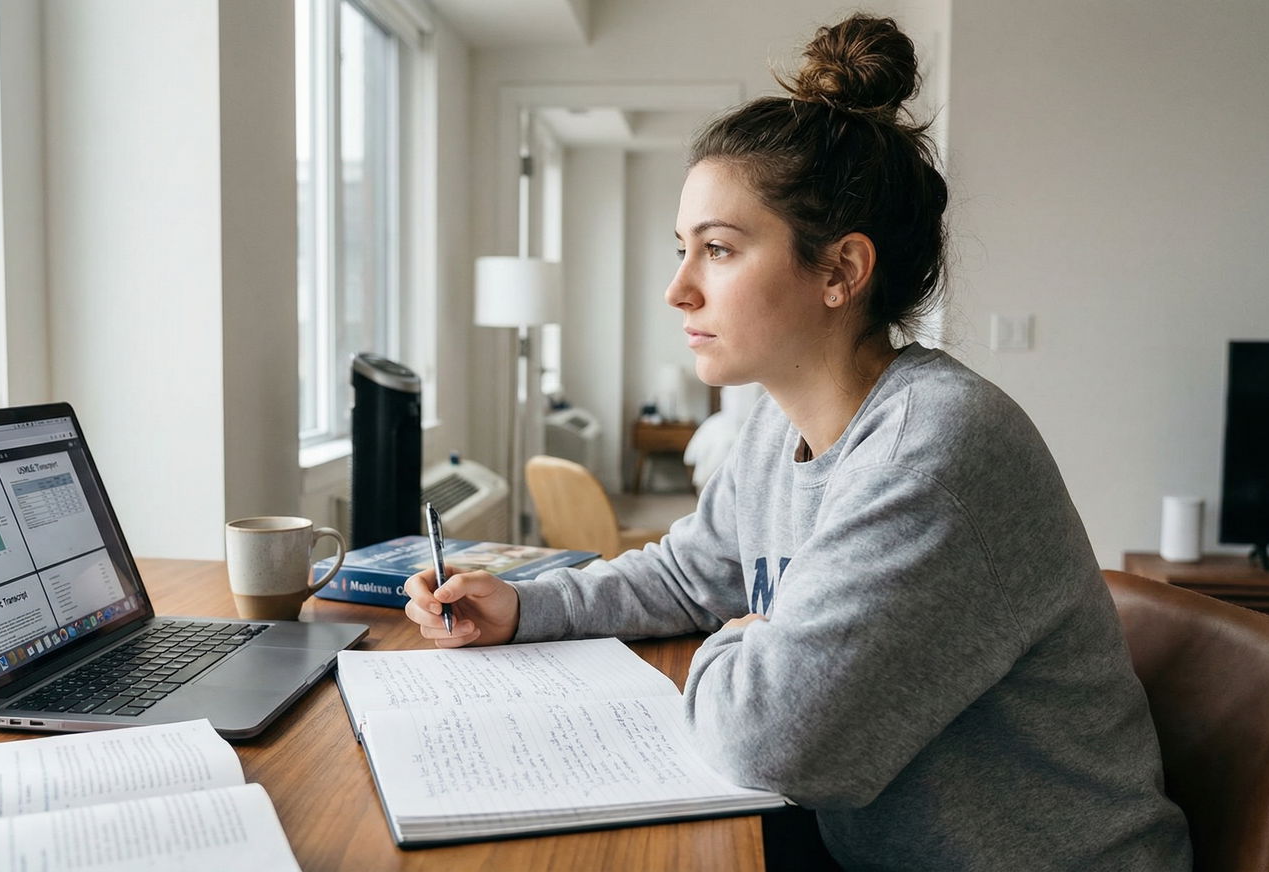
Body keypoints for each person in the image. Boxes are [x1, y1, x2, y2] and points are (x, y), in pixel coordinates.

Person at [403, 12, 1192, 871]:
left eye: (719, 250)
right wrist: (526, 607)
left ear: (840, 272)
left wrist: (741, 642)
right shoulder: (778, 425)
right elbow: (689, 574)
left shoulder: (935, 449)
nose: (678, 290)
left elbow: (779, 743)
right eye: (682, 250)